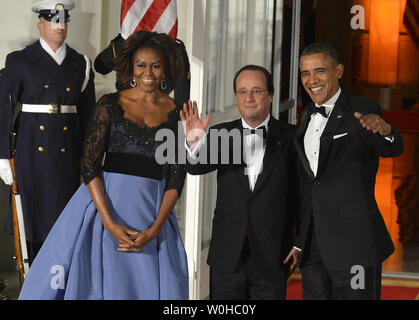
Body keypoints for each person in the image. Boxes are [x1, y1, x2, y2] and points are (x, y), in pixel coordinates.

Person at [18, 30, 188, 300]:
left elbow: (176, 176)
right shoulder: (109, 104)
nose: (148, 72)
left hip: (152, 214)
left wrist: (155, 229)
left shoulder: (178, 113)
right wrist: (109, 223)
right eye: (141, 65)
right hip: (105, 210)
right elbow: (90, 166)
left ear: (165, 68)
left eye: (155, 66)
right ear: (131, 66)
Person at [293, 42, 404, 300]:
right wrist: (300, 240)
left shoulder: (362, 109)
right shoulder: (307, 114)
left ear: (338, 71)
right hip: (314, 247)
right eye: (305, 73)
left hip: (355, 245)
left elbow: (391, 148)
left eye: (319, 71)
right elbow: (311, 184)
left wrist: (386, 131)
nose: (312, 80)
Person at [180, 65, 300, 300]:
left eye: (257, 91)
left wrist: (299, 242)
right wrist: (194, 142)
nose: (249, 98)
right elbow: (195, 167)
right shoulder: (221, 133)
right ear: (236, 96)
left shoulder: (293, 137)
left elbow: (303, 195)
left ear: (271, 95)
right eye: (242, 91)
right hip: (227, 253)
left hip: (273, 252)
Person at [0, 0, 96, 264]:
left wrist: (92, 160)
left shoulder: (81, 64)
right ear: (40, 24)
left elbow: (90, 119)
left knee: (65, 223)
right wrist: (1, 156)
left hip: (67, 153)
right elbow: (3, 110)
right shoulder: (20, 61)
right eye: (54, 20)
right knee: (32, 224)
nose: (60, 26)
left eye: (64, 21)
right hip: (31, 151)